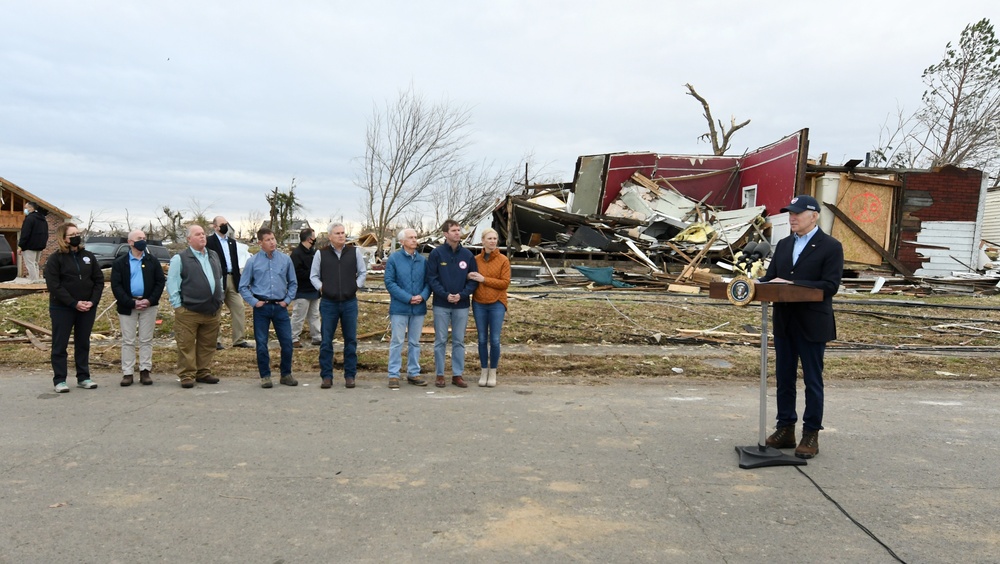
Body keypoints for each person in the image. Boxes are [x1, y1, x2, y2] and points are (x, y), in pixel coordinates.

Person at [760, 195, 843, 459]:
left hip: (812, 323)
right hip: (785, 322)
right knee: (784, 379)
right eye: (789, 213)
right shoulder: (784, 245)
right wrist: (751, 283)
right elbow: (771, 278)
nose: (791, 217)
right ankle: (785, 428)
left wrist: (794, 285)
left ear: (814, 215)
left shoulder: (831, 246)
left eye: (797, 213)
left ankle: (811, 433)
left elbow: (830, 286)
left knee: (812, 380)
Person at [44, 223, 103, 393]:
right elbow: (54, 285)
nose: (77, 236)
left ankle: (83, 377)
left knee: (83, 343)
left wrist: (92, 301)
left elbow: (98, 281)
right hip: (62, 308)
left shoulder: (89, 257)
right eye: (73, 234)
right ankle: (60, 379)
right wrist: (73, 303)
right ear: (64, 239)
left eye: (78, 233)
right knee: (60, 344)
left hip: (87, 308)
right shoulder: (55, 259)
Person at [310, 222, 367, 389]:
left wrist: (355, 286)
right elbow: (313, 276)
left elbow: (363, 272)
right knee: (326, 341)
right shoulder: (321, 254)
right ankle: (326, 376)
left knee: (350, 340)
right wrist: (322, 288)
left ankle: (350, 375)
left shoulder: (354, 252)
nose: (341, 235)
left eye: (343, 233)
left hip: (349, 302)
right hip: (329, 303)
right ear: (330, 237)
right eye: (337, 233)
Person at [239, 228, 298, 388]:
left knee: (287, 342)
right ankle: (265, 376)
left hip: (280, 307)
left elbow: (293, 283)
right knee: (261, 343)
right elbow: (243, 286)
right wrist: (254, 302)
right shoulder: (252, 262)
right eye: (268, 240)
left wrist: (287, 300)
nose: (272, 242)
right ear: (260, 243)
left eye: (273, 239)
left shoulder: (285, 260)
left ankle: (286, 374)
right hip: (262, 307)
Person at [167, 225, 224, 389]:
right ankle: (187, 375)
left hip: (212, 309)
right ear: (189, 239)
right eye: (198, 234)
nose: (202, 237)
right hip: (189, 311)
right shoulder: (180, 258)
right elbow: (172, 283)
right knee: (186, 344)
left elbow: (219, 278)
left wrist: (219, 299)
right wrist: (178, 306)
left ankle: (203, 372)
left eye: (203, 234)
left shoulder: (213, 255)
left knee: (208, 344)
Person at [110, 229, 166, 386]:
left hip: (148, 305)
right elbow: (116, 286)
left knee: (146, 339)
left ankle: (145, 371)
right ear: (130, 242)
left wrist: (150, 300)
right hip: (128, 306)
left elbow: (160, 282)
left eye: (144, 238)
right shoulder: (120, 262)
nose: (143, 240)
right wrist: (131, 302)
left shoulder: (151, 261)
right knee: (128, 340)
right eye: (139, 238)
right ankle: (127, 372)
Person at [427, 219, 478, 388]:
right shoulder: (437, 254)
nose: (458, 233)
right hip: (441, 304)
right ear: (445, 234)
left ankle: (457, 374)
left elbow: (473, 280)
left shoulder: (468, 255)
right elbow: (432, 278)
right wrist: (445, 294)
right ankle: (440, 374)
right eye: (454, 230)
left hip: (461, 305)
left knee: (458, 340)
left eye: (459, 230)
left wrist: (462, 295)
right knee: (440, 340)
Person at [383, 228, 430, 389]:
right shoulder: (394, 259)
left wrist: (422, 296)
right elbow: (390, 282)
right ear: (402, 241)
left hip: (418, 308)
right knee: (397, 341)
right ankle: (394, 374)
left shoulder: (423, 261)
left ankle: (413, 372)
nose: (414, 240)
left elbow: (428, 282)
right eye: (410, 238)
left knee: (414, 342)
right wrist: (407, 298)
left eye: (416, 237)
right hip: (399, 307)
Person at [468, 228, 510, 388]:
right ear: (483, 241)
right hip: (479, 302)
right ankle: (483, 370)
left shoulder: (503, 260)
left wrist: (484, 279)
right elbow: (470, 276)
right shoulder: (475, 260)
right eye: (489, 238)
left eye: (495, 238)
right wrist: (469, 276)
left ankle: (493, 371)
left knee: (495, 339)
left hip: (497, 303)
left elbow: (505, 283)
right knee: (481, 339)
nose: (493, 241)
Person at [206, 215, 251, 349]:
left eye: (226, 223)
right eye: (222, 224)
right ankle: (216, 340)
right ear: (215, 227)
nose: (225, 226)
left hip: (233, 279)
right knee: (216, 310)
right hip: (218, 279)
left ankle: (239, 339)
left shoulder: (232, 242)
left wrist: (239, 280)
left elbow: (235, 262)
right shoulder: (209, 241)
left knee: (239, 308)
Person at [290, 228, 321, 348]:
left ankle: (317, 337)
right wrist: (313, 274)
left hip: (314, 290)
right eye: (314, 237)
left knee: (315, 314)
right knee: (299, 315)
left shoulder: (313, 252)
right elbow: (296, 273)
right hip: (302, 290)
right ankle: (293, 338)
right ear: (309, 239)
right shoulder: (297, 254)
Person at [18, 201, 48, 282]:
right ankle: (36, 280)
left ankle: (33, 281)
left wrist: (21, 245)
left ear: (31, 208)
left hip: (29, 246)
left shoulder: (29, 218)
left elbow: (25, 233)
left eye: (26, 208)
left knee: (30, 264)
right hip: (40, 245)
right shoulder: (43, 219)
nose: (25, 210)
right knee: (35, 264)